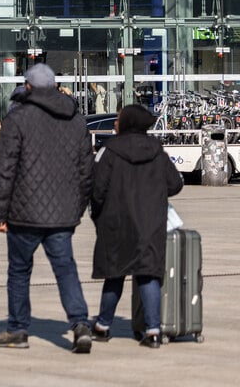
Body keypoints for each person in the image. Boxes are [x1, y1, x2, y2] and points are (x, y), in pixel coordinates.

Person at [0, 63, 94, 352]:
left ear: (29, 87)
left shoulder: (18, 117)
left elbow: (4, 168)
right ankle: (80, 323)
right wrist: (78, 206)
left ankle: (17, 330)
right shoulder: (76, 119)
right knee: (66, 269)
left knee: (19, 271)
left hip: (24, 213)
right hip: (62, 213)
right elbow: (87, 169)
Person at [88, 105, 184, 348]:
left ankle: (102, 326)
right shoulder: (156, 150)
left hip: (116, 223)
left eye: (119, 118)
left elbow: (97, 189)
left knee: (114, 276)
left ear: (128, 122)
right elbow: (174, 184)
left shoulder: (110, 150)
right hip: (150, 224)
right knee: (148, 275)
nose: (116, 123)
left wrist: (98, 217)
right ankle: (153, 331)